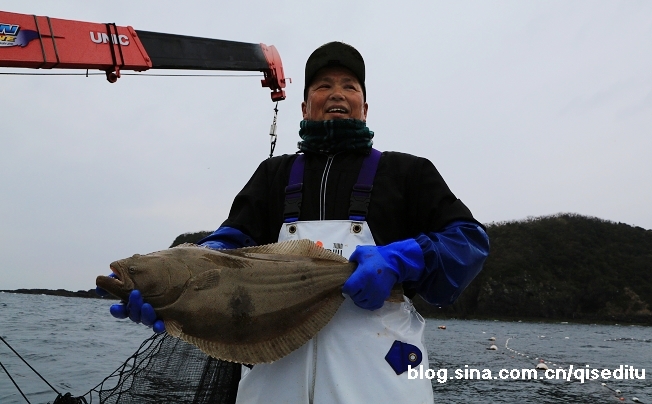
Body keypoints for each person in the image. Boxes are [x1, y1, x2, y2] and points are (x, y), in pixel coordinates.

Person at [107, 41, 489, 403]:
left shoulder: (408, 172)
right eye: (324, 85)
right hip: (273, 387)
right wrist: (181, 286)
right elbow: (229, 243)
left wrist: (402, 259)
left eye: (349, 86)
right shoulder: (274, 174)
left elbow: (468, 242)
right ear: (305, 107)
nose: (337, 93)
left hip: (381, 383)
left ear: (365, 107)